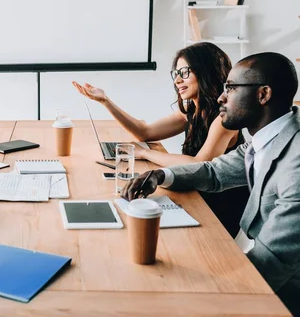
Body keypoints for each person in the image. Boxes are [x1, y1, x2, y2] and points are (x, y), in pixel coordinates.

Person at [122, 52, 300, 315]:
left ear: (263, 95)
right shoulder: (263, 141)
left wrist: (197, 296)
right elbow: (213, 172)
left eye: (232, 88)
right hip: (251, 261)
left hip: (281, 294)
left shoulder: (296, 160)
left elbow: (274, 259)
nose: (221, 97)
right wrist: (161, 176)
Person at [73, 42, 248, 237]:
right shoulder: (192, 112)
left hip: (218, 211)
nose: (178, 81)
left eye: (185, 72)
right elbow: (145, 132)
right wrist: (105, 101)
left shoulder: (224, 119)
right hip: (195, 195)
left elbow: (200, 164)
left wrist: (144, 152)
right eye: (176, 74)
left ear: (206, 71)